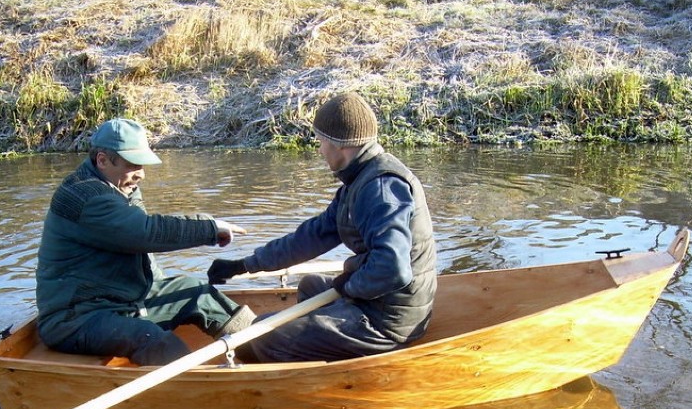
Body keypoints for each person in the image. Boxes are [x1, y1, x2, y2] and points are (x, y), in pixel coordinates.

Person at [207, 92, 437, 362]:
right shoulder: (360, 180)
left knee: (263, 336)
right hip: (376, 301)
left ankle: (299, 380)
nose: (319, 150)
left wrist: (349, 287)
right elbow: (312, 236)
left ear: (340, 145)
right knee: (310, 285)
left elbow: (393, 269)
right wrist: (245, 265)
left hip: (389, 319)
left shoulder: (380, 188)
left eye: (320, 141)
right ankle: (323, 356)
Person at [36, 118, 256, 366]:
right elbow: (145, 233)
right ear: (102, 160)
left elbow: (143, 248)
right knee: (154, 340)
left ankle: (269, 350)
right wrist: (209, 228)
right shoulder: (84, 196)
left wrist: (165, 288)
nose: (141, 173)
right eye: (132, 165)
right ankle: (201, 393)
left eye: (141, 164)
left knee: (199, 295)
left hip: (122, 301)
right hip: (76, 318)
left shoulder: (122, 186)